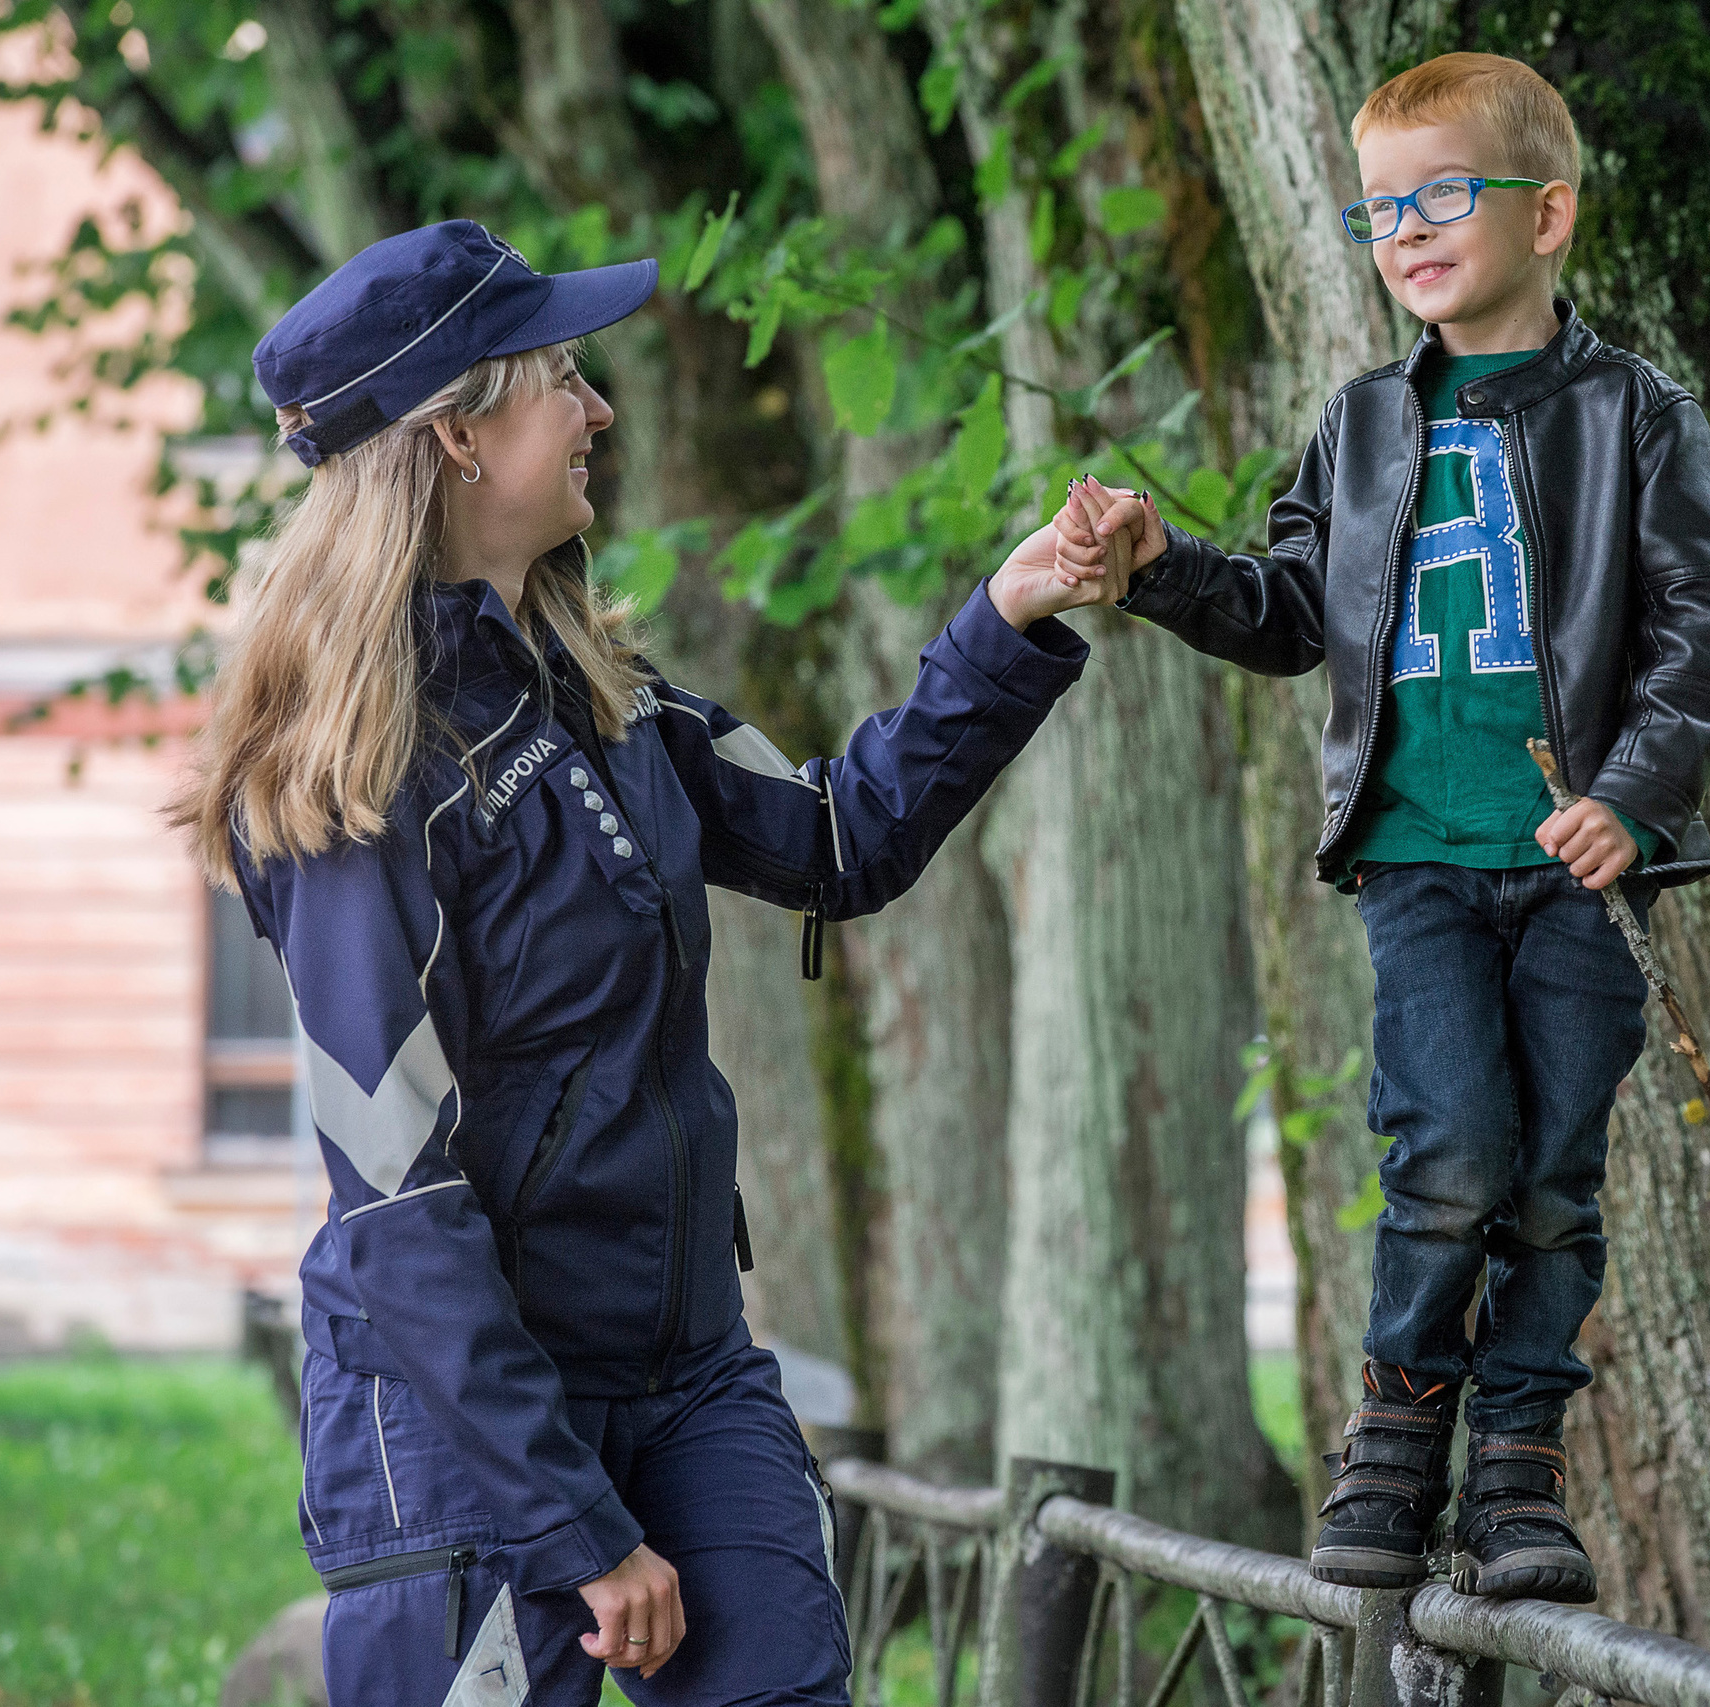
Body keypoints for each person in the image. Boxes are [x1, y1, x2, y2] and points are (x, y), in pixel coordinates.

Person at [168, 220, 1122, 1703]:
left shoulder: (611, 703)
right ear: (459, 437)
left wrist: (1007, 620)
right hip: (462, 1427)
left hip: (690, 1376)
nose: (599, 407)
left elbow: (832, 835)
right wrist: (573, 1527)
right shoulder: (348, 783)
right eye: (562, 375)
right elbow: (397, 1206)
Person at [1057, 53, 1710, 1603]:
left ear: (1548, 211)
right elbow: (1293, 609)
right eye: (1381, 209)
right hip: (1421, 864)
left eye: (1445, 194)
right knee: (1449, 1149)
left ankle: (1516, 1477)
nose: (1408, 230)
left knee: (1555, 1176)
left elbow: (1701, 631)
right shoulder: (1363, 427)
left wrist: (1633, 802)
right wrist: (1163, 568)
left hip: (1578, 871)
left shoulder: (1639, 417)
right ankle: (1396, 1443)